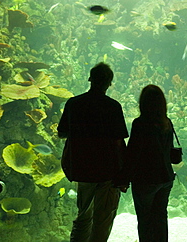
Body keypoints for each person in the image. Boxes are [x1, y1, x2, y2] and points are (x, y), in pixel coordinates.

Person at [57, 62, 129, 242]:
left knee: (83, 217)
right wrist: (124, 173)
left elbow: (62, 132)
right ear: (109, 83)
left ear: (90, 79)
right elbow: (119, 143)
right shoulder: (113, 107)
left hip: (81, 169)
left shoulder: (73, 104)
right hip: (108, 173)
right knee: (102, 221)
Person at [122, 84, 176, 242]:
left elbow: (133, 153)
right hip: (165, 178)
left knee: (145, 219)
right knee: (160, 218)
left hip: (146, 179)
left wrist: (124, 178)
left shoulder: (140, 124)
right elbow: (169, 149)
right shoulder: (167, 122)